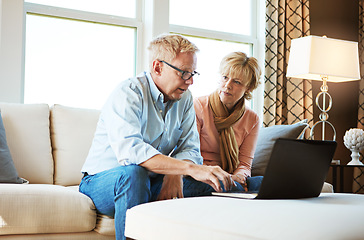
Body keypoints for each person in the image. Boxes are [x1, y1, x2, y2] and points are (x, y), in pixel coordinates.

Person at [79, 34, 235, 240]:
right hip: (105, 182)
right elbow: (132, 153)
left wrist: (174, 173)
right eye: (184, 73)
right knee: (134, 174)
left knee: (217, 183)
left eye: (193, 72)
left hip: (151, 180)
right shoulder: (129, 93)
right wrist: (187, 169)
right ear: (158, 67)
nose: (191, 81)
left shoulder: (184, 98)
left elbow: (190, 148)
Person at [193, 51, 263, 193]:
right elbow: (191, 156)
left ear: (248, 87)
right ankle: (233, 190)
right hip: (201, 177)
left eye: (237, 82)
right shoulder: (198, 106)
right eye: (225, 77)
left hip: (231, 178)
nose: (227, 85)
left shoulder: (252, 118)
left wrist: (239, 176)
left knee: (264, 182)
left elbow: (244, 163)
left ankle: (233, 189)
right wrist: (219, 176)